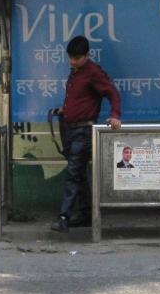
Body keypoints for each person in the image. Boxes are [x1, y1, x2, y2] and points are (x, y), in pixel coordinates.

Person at [50, 36, 122, 232]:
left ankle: (64, 217)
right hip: (70, 128)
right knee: (79, 173)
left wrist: (115, 115)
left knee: (73, 173)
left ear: (87, 55)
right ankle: (86, 214)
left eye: (76, 58)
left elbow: (112, 94)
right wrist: (66, 110)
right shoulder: (75, 72)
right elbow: (80, 99)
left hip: (84, 131)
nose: (72, 61)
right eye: (70, 58)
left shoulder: (93, 72)